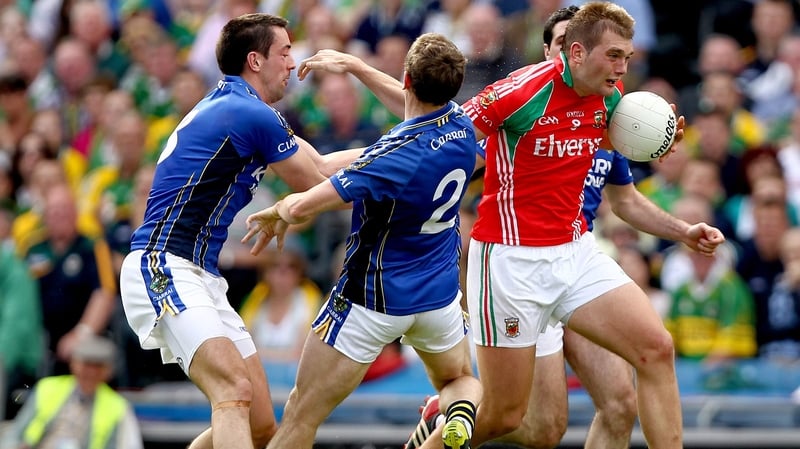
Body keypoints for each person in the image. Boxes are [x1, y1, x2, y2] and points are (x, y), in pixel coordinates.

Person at [297, 3, 725, 448]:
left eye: (627, 57)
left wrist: (656, 142)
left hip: (575, 251)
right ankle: (439, 429)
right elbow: (435, 132)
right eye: (614, 56)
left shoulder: (612, 97)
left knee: (655, 351)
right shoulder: (520, 93)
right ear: (576, 53)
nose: (623, 68)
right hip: (512, 263)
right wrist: (340, 165)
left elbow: (623, 177)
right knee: (506, 417)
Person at [118, 13, 349, 449]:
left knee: (260, 424)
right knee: (233, 390)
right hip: (164, 264)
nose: (292, 62)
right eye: (284, 52)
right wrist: (402, 173)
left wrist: (399, 148)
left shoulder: (238, 106)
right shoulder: (250, 113)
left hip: (201, 274)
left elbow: (321, 165)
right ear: (255, 61)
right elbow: (320, 187)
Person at [242, 32, 482, 449]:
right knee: (460, 380)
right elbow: (412, 108)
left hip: (372, 301)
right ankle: (459, 414)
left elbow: (313, 197)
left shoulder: (392, 156)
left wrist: (281, 211)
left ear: (407, 78)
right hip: (439, 299)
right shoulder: (462, 126)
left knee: (301, 414)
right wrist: (356, 66)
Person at [0, 335, 143, 449]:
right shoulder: (48, 388)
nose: (91, 372)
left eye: (97, 366)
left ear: (108, 371)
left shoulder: (118, 406)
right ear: (74, 364)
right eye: (86, 364)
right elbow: (15, 433)